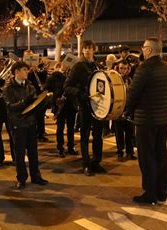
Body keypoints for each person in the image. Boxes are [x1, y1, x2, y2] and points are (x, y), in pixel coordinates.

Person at [124, 38, 167, 204]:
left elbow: (133, 93)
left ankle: (149, 193)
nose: (142, 50)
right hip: (162, 119)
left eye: (144, 48)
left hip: (145, 119)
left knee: (147, 157)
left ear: (149, 51)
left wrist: (126, 110)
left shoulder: (144, 68)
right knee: (160, 155)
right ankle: (162, 190)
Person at [3, 61, 48, 189]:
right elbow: (10, 107)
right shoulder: (8, 88)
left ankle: (36, 176)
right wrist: (24, 102)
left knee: (33, 152)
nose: (26, 72)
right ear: (16, 72)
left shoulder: (30, 86)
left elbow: (33, 105)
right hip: (17, 124)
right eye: (24, 70)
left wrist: (42, 101)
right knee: (20, 153)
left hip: (30, 123)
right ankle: (21, 178)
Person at [64, 40, 105, 176]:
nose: (87, 50)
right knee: (85, 136)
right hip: (85, 106)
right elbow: (67, 86)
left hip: (98, 106)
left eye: (90, 48)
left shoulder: (98, 66)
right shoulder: (78, 67)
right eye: (85, 48)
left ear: (94, 50)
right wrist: (81, 94)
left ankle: (96, 162)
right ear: (82, 50)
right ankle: (86, 164)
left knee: (98, 135)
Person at [44, 58, 78, 158]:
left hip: (70, 105)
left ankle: (71, 147)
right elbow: (46, 87)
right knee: (60, 128)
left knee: (71, 128)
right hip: (59, 105)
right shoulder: (55, 76)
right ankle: (60, 148)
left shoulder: (73, 75)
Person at [114, 61, 136, 161]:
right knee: (119, 133)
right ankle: (120, 152)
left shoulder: (130, 80)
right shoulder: (114, 80)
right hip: (118, 109)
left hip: (128, 110)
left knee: (130, 132)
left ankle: (129, 152)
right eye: (121, 68)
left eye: (125, 68)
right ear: (118, 68)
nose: (123, 70)